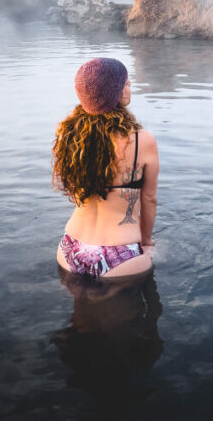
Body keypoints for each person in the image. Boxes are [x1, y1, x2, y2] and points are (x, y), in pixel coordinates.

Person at [53, 57, 159, 279]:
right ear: (115, 93)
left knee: (80, 314)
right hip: (121, 256)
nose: (130, 87)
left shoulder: (68, 134)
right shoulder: (141, 140)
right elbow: (149, 199)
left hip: (70, 248)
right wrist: (147, 244)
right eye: (126, 83)